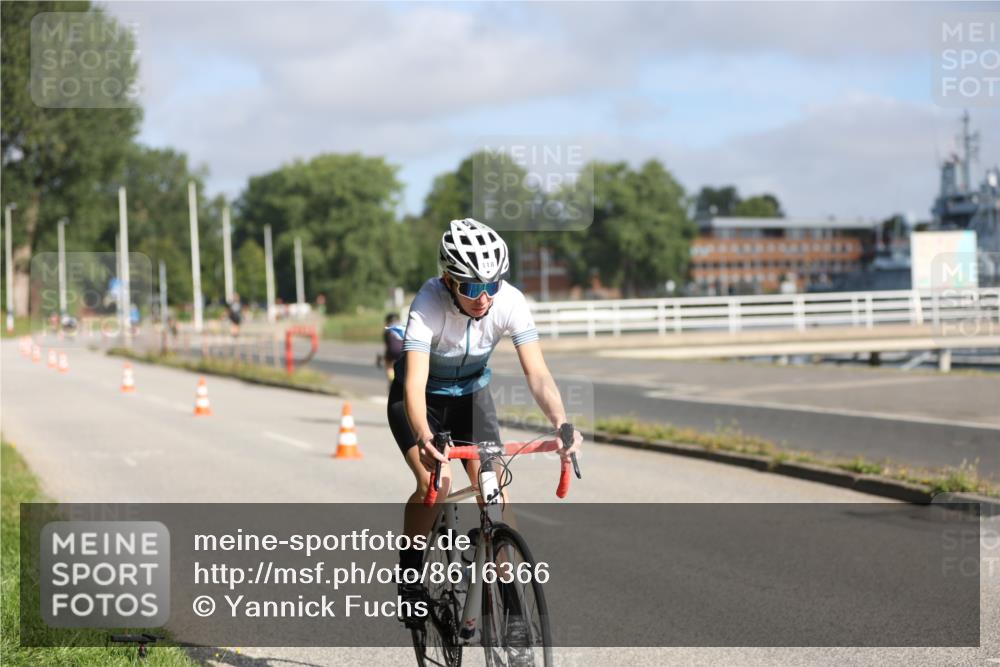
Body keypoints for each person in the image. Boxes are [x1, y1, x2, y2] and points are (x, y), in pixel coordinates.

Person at [387, 218, 582, 626]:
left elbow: (538, 373)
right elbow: (416, 381)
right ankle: (409, 579)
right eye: (472, 288)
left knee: (493, 491)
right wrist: (424, 436)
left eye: (491, 286)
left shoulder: (509, 300)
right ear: (447, 280)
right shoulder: (428, 303)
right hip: (422, 400)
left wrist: (562, 422)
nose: (483, 298)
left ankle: (511, 608)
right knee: (435, 484)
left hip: (472, 398)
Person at [381, 313, 404, 388]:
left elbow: (387, 345)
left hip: (392, 351)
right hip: (403, 350)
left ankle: (391, 379)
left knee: (389, 365)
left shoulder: (387, 330)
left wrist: (385, 357)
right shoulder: (402, 327)